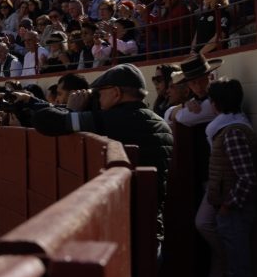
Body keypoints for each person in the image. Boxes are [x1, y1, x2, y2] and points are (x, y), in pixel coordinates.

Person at [31, 64, 173, 248]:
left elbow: (44, 121)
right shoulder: (162, 124)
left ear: (115, 93)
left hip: (118, 221)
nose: (97, 98)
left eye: (99, 93)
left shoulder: (108, 120)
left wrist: (72, 110)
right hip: (153, 220)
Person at [200, 78, 257, 277]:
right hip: (230, 210)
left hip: (232, 212)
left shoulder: (231, 132)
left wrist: (226, 205)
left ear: (215, 104)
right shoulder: (232, 127)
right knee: (237, 273)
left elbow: (246, 178)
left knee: (240, 275)